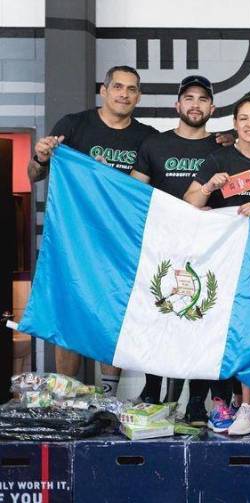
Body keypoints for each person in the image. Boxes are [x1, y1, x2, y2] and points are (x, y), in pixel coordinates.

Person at [29, 65, 159, 397]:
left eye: (131, 89)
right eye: (118, 87)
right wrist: (41, 157)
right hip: (72, 239)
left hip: (119, 241)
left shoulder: (147, 137)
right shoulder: (74, 125)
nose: (124, 94)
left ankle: (109, 396)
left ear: (139, 96)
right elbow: (34, 174)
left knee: (112, 312)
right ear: (104, 90)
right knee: (69, 313)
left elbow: (153, 190)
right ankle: (65, 398)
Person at [130, 75, 223, 424]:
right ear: (178, 105)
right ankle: (152, 390)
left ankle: (197, 401)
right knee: (159, 316)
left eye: (202, 99)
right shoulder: (154, 145)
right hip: (163, 246)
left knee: (201, 319)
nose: (195, 105)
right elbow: (134, 194)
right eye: (189, 98)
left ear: (212, 108)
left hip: (210, 249)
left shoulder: (222, 148)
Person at [184, 96, 250, 435]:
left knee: (248, 330)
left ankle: (245, 401)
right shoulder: (218, 158)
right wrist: (210, 187)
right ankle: (220, 403)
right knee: (218, 327)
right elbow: (189, 202)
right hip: (219, 260)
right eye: (244, 118)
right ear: (235, 124)